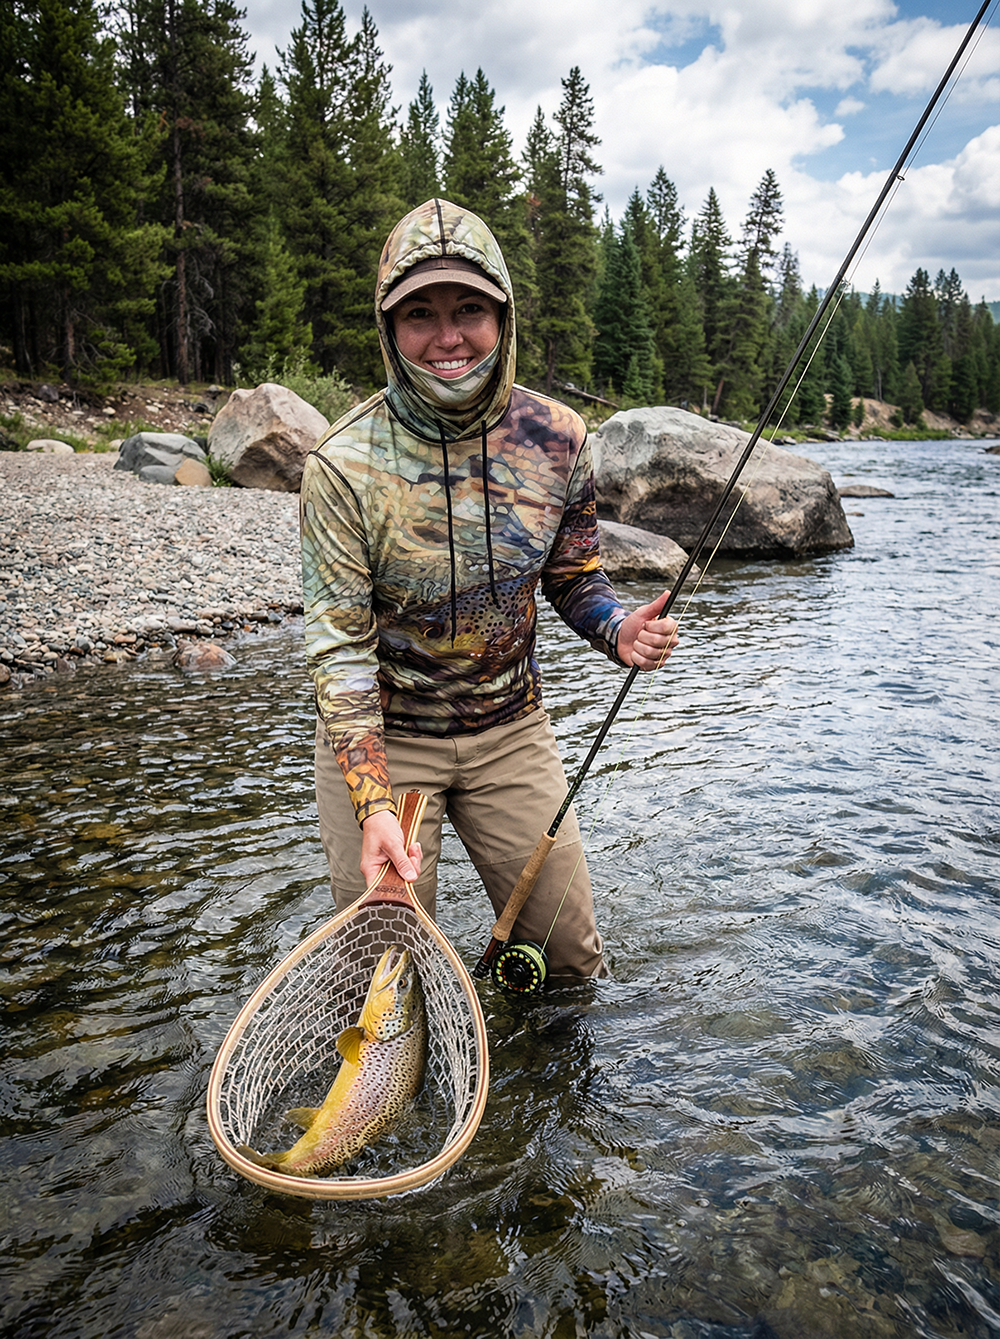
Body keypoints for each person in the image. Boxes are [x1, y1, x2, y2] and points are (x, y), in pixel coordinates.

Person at [300, 198, 678, 980]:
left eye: (469, 309)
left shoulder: (560, 437)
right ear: (389, 326)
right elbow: (338, 654)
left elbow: (574, 575)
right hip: (390, 739)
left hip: (511, 728)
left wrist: (618, 629)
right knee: (382, 980)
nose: (447, 337)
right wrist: (373, 803)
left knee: (570, 962)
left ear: (502, 315)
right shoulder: (341, 464)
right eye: (420, 313)